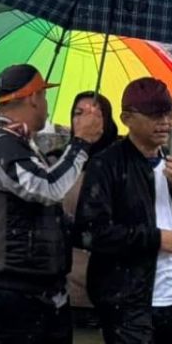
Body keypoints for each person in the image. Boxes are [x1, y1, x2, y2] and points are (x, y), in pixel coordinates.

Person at [75, 78, 172, 344]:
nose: (165, 122)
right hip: (125, 302)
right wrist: (156, 239)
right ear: (127, 118)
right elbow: (89, 233)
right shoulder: (106, 165)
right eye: (155, 115)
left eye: (169, 113)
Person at [0, 64, 104, 344]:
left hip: (45, 290)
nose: (47, 105)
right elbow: (47, 188)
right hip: (10, 293)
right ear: (33, 98)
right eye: (44, 96)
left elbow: (45, 213)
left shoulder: (24, 144)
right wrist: (81, 143)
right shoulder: (0, 145)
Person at [61, 91, 121, 329]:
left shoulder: (122, 163)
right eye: (79, 113)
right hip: (68, 287)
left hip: (113, 288)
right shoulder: (59, 164)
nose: (86, 119)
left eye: (96, 113)